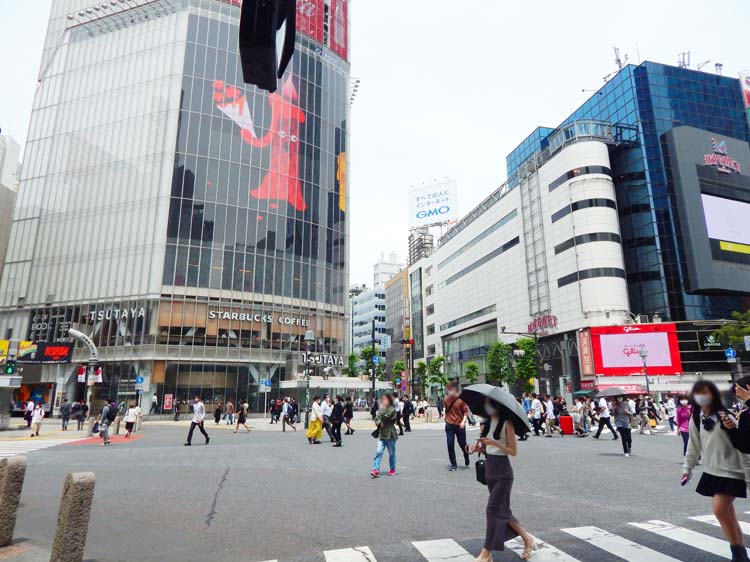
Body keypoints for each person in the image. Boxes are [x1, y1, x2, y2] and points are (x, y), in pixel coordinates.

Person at [682, 381, 748, 562]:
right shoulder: (696, 417)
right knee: (728, 514)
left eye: (707, 392)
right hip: (712, 470)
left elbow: (742, 440)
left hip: (732, 470)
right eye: (699, 393)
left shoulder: (725, 414)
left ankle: (739, 554)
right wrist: (687, 468)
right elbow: (693, 446)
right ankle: (740, 554)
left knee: (719, 511)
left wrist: (733, 426)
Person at [468, 396, 536, 561]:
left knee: (492, 509)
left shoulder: (508, 424)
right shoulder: (485, 425)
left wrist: (494, 443)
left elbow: (513, 451)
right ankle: (527, 539)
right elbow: (486, 449)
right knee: (503, 511)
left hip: (503, 473)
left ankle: (486, 552)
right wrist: (476, 448)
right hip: (490, 471)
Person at [444, 382, 470, 471]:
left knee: (462, 443)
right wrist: (446, 418)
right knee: (450, 444)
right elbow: (446, 410)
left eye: (451, 389)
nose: (449, 391)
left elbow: (466, 411)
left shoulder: (461, 400)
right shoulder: (446, 399)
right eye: (448, 389)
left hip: (460, 424)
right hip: (449, 424)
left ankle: (466, 455)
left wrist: (463, 421)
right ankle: (453, 464)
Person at [370, 393, 398, 478]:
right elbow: (377, 417)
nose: (384, 401)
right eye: (383, 399)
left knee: (392, 453)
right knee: (379, 451)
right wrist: (379, 423)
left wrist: (381, 420)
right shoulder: (381, 409)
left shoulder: (392, 409)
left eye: (386, 399)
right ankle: (375, 469)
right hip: (382, 434)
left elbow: (389, 417)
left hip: (390, 434)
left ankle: (392, 469)